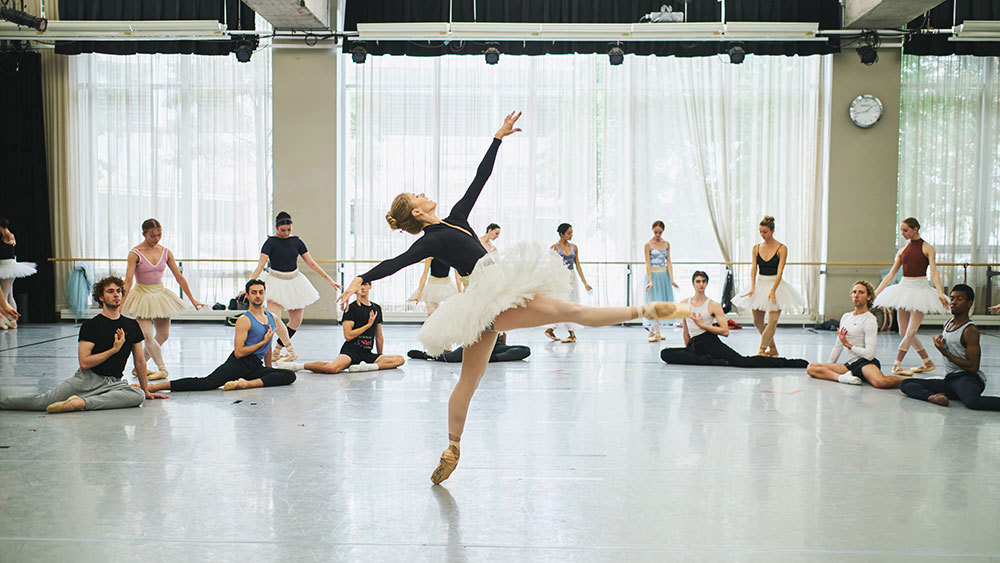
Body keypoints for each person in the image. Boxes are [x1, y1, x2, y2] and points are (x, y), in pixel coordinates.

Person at [339, 112, 688, 484]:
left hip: (491, 292)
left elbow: (480, 178)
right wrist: (362, 276)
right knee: (572, 311)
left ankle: (452, 448)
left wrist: (498, 138)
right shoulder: (431, 239)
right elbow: (397, 261)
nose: (423, 192)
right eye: (416, 195)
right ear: (417, 211)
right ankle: (646, 310)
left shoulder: (456, 217)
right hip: (488, 298)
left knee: (468, 382)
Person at [0, 276, 166, 412]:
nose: (116, 295)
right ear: (101, 297)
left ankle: (81, 403)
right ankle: (2, 402)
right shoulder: (91, 326)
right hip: (86, 379)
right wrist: (113, 350)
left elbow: (140, 361)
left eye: (118, 291)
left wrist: (145, 390)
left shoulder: (131, 325)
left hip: (113, 383)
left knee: (137, 396)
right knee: (42, 402)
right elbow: (85, 362)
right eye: (110, 292)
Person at [144, 279, 297, 393]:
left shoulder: (272, 317)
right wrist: (261, 343)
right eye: (254, 293)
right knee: (207, 383)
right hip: (239, 363)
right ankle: (156, 387)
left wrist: (268, 370)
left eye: (261, 292)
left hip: (256, 366)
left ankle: (246, 384)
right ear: (247, 296)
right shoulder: (244, 320)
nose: (258, 296)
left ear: (264, 293)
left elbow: (267, 346)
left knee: (289, 376)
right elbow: (239, 352)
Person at [661, 271, 807, 368]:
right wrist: (688, 351)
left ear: (706, 283)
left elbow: (725, 332)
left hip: (709, 341)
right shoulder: (684, 303)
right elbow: (686, 331)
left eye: (703, 281)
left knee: (742, 361)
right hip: (694, 345)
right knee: (665, 353)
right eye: (698, 281)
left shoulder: (713, 305)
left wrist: (702, 326)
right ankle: (711, 361)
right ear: (693, 283)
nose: (701, 284)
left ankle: (789, 363)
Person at [250, 211, 342, 362]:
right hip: (275, 281)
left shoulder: (297, 242)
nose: (286, 233)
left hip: (295, 281)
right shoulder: (270, 243)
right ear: (276, 227)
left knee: (296, 321)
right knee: (274, 319)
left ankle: (277, 351)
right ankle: (291, 350)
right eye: (282, 230)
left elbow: (311, 263)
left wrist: (329, 280)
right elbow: (260, 265)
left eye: (289, 229)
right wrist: (250, 283)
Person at [122, 219, 204, 380]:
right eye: (152, 235)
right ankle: (162, 368)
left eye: (159, 235)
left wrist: (192, 299)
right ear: (144, 234)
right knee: (147, 335)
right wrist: (121, 302)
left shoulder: (166, 252)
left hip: (160, 295)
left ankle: (139, 365)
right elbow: (128, 279)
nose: (156, 238)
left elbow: (179, 277)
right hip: (142, 296)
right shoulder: (135, 253)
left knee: (163, 335)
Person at [900, 285, 999, 410]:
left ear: (969, 303)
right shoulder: (947, 324)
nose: (953, 302)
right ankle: (933, 397)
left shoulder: (970, 330)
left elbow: (973, 367)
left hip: (967, 378)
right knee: (906, 383)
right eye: (952, 299)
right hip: (950, 380)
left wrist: (945, 353)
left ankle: (962, 392)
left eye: (959, 299)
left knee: (972, 402)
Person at [873, 217, 950, 375]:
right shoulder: (902, 251)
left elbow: (934, 272)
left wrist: (940, 292)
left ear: (915, 229)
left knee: (911, 331)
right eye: (901, 230)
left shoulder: (928, 248)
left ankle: (896, 365)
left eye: (905, 230)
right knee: (903, 332)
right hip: (904, 288)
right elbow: (891, 274)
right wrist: (875, 292)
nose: (902, 233)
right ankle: (927, 362)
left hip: (920, 290)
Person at [279, 280, 405, 374]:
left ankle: (367, 367)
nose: (362, 287)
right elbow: (348, 336)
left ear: (370, 286)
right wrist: (367, 325)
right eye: (360, 285)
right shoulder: (351, 308)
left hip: (367, 353)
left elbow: (379, 336)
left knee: (400, 359)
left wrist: (380, 358)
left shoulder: (376, 308)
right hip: (351, 351)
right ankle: (299, 366)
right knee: (332, 368)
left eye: (365, 284)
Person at [805, 281, 907, 388]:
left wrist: (849, 346)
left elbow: (870, 354)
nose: (856, 295)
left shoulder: (870, 320)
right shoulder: (846, 317)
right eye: (854, 292)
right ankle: (843, 378)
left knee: (881, 382)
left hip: (865, 363)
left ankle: (913, 381)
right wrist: (830, 365)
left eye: (861, 292)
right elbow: (838, 345)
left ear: (868, 297)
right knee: (811, 368)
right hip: (850, 364)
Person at [733, 216, 805, 357]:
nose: (762, 234)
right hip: (760, 284)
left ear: (772, 231)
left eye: (765, 232)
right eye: (760, 231)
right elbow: (754, 269)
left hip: (776, 285)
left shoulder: (782, 248)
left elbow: (780, 271)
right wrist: (752, 287)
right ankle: (773, 349)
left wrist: (773, 290)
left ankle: (761, 349)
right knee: (757, 321)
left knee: (773, 320)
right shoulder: (756, 248)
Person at [544, 223, 593, 343]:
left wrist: (585, 283)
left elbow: (578, 265)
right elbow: (551, 266)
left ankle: (569, 333)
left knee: (571, 304)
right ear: (561, 234)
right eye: (569, 233)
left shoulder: (574, 247)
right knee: (560, 303)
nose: (571, 235)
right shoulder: (554, 248)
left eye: (572, 233)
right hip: (560, 278)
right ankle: (552, 328)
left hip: (571, 276)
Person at [643, 220, 679, 342]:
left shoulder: (666, 244)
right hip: (652, 276)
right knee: (654, 304)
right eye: (655, 232)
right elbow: (647, 264)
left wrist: (672, 279)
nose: (658, 234)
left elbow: (669, 262)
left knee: (661, 304)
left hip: (664, 276)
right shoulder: (648, 245)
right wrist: (650, 280)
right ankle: (657, 332)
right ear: (652, 230)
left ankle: (653, 331)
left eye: (660, 232)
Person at [0, 217, 37, 330]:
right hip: (9, 266)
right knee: (10, 295)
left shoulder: (5, 236)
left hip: (7, 266)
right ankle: (13, 322)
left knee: (4, 296)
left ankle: (5, 321)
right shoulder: (10, 235)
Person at [408, 341, 531, 363]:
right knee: (451, 358)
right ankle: (426, 354)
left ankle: (490, 358)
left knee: (525, 350)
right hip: (475, 343)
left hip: (495, 346)